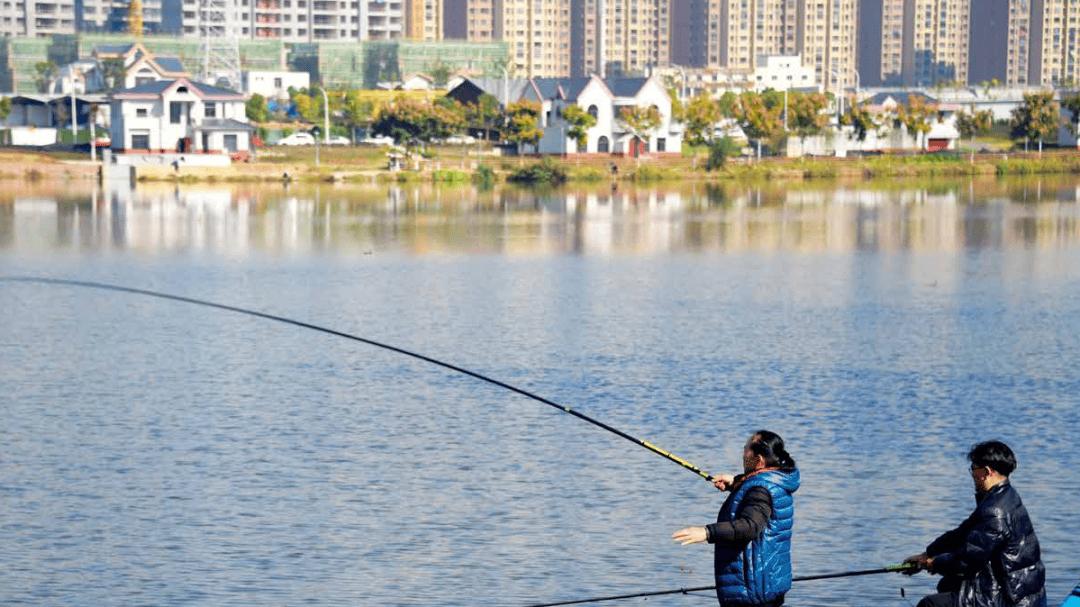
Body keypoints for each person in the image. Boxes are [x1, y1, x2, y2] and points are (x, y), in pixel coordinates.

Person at [903, 441, 1046, 607]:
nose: (972, 474)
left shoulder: (994, 511)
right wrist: (927, 554)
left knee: (929, 604)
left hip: (1011, 599)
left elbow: (967, 561)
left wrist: (932, 563)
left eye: (973, 468)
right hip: (1019, 591)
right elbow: (961, 534)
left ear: (986, 472)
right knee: (948, 584)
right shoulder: (1006, 496)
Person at [672, 431, 800, 607]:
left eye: (746, 449)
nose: (743, 453)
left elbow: (750, 526)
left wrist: (707, 532)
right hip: (768, 583)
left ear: (759, 460)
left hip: (752, 589)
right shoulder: (776, 480)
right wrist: (736, 482)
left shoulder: (760, 490)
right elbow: (756, 494)